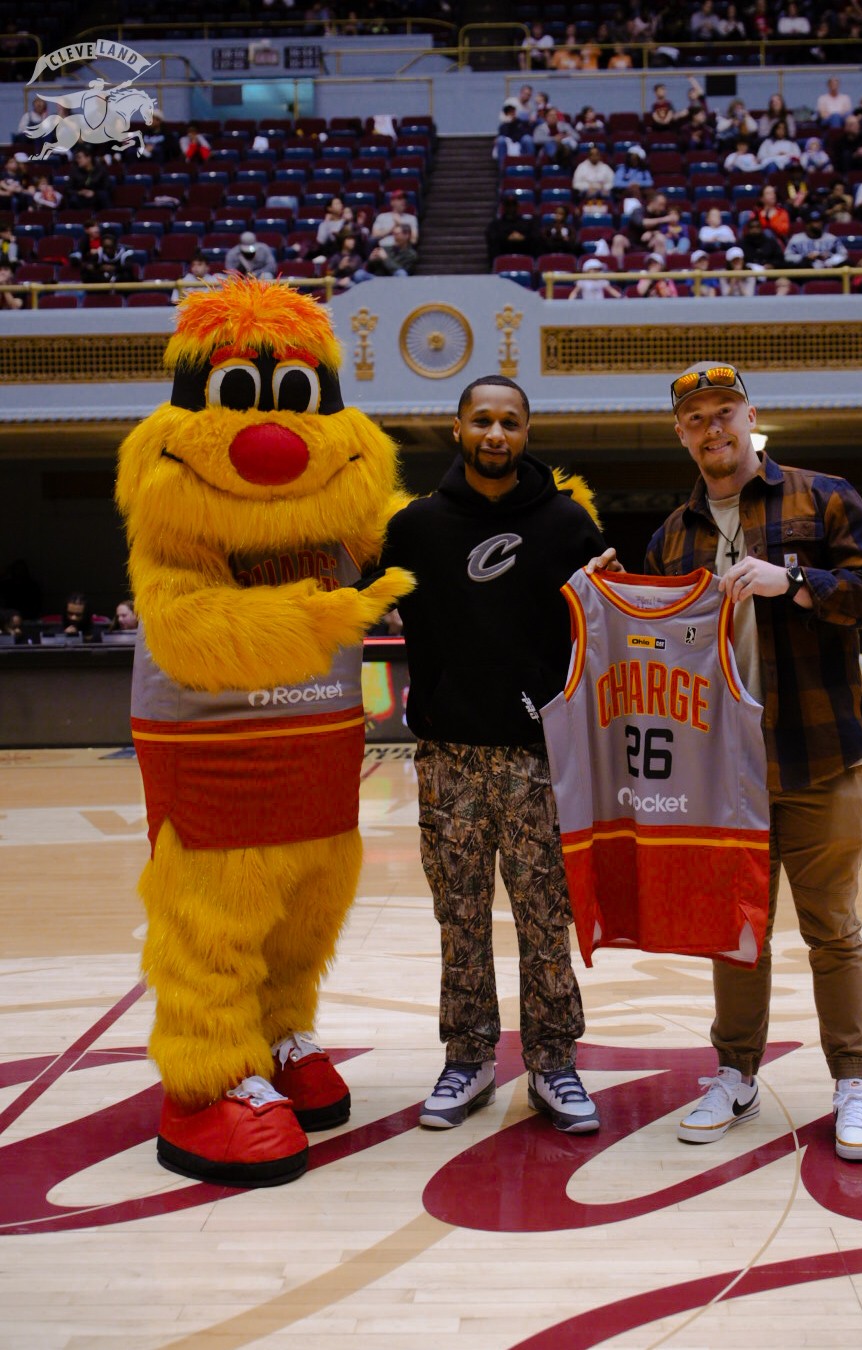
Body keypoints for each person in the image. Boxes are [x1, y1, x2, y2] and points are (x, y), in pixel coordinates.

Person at [611, 361, 862, 1160]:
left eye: (725, 412)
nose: (713, 428)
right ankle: (735, 1075)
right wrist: (614, 598)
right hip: (721, 770)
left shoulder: (823, 496)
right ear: (680, 434)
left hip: (822, 756)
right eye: (696, 418)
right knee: (734, 931)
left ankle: (853, 1085)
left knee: (833, 930)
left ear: (750, 416)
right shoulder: (671, 536)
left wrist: (796, 579)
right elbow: (656, 652)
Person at [376, 376, 605, 1133]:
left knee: (545, 921)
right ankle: (468, 1057)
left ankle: (554, 1063)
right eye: (482, 421)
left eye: (510, 422)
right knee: (461, 919)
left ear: (528, 432)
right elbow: (351, 599)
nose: (496, 434)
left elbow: (604, 626)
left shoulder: (568, 524)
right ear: (458, 429)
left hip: (541, 758)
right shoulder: (415, 528)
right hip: (449, 757)